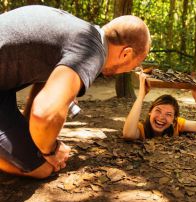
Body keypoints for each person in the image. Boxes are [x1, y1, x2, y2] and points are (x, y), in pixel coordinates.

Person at [0, 5, 151, 178]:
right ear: (126, 53)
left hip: (4, 88)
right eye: (134, 65)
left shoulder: (82, 32)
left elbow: (43, 83)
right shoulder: (92, 52)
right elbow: (44, 113)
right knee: (42, 168)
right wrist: (51, 151)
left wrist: (35, 139)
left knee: (34, 150)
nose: (128, 70)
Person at [123, 72, 196, 140]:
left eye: (168, 114)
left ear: (174, 120)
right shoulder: (142, 128)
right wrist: (141, 96)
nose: (161, 117)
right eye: (158, 110)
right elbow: (128, 134)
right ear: (150, 112)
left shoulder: (177, 125)